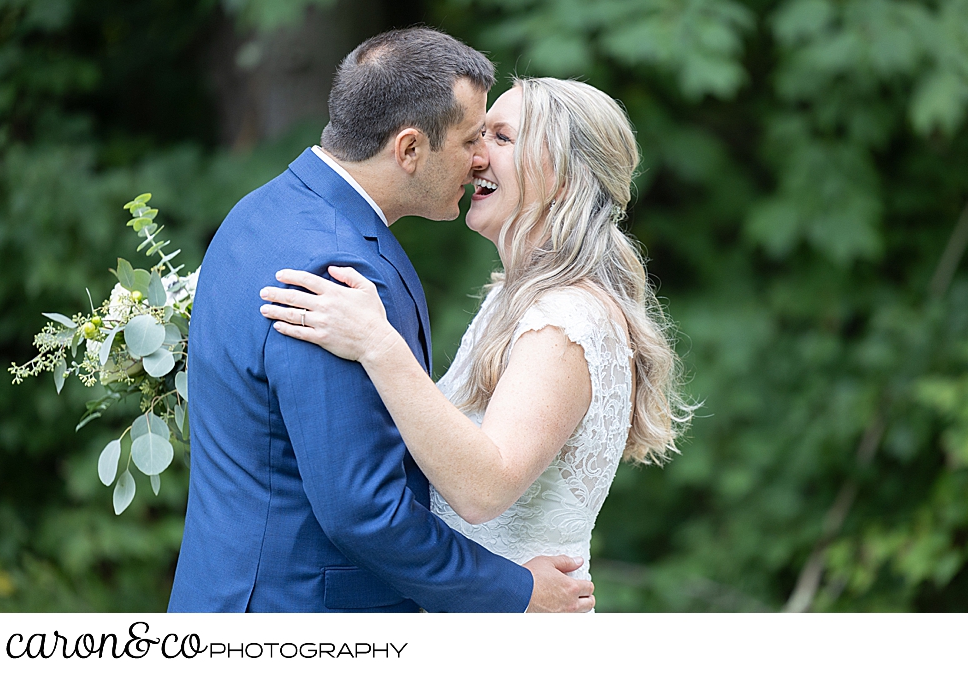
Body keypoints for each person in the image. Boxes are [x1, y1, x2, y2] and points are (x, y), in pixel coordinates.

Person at [168, 29, 595, 613]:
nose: (479, 161)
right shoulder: (339, 270)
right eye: (472, 139)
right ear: (410, 149)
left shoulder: (264, 209)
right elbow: (362, 508)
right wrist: (517, 592)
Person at [259, 77, 693, 590]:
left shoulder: (566, 321)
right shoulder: (510, 302)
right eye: (478, 136)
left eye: (501, 138)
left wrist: (377, 345)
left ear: (562, 176)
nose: (474, 157)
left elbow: (483, 490)